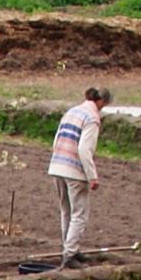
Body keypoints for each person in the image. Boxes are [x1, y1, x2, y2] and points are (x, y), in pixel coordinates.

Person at [47, 85, 111, 263]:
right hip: (74, 170)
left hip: (57, 166)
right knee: (79, 214)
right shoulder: (92, 118)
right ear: (101, 102)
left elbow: (56, 140)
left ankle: (70, 248)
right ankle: (70, 253)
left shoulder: (71, 112)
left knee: (66, 211)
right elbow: (84, 149)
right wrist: (92, 176)